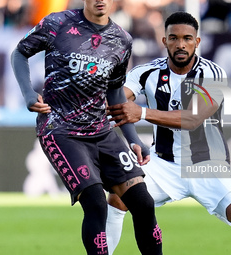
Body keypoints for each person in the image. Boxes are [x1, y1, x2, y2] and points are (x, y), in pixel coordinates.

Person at [106, 11, 231, 255]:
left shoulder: (212, 73)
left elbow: (193, 118)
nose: (181, 44)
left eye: (187, 38)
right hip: (163, 164)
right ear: (165, 41)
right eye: (174, 38)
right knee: (118, 198)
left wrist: (140, 113)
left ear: (197, 42)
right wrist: (131, 136)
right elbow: (117, 104)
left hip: (208, 165)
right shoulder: (146, 73)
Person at [10, 1, 163, 254]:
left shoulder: (122, 39)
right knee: (95, 203)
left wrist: (133, 138)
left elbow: (115, 92)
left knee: (144, 203)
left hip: (102, 131)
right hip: (60, 130)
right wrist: (28, 93)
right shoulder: (57, 23)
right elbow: (19, 52)